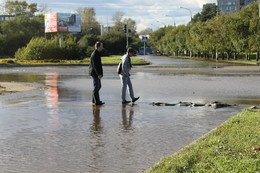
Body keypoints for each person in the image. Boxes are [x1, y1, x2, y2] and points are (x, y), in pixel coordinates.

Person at [89, 41, 105, 105]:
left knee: (98, 86)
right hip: (95, 73)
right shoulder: (95, 54)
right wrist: (99, 74)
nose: (102, 47)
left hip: (95, 73)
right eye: (101, 46)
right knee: (97, 87)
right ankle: (97, 102)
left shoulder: (97, 53)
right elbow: (95, 65)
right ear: (98, 47)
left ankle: (94, 100)